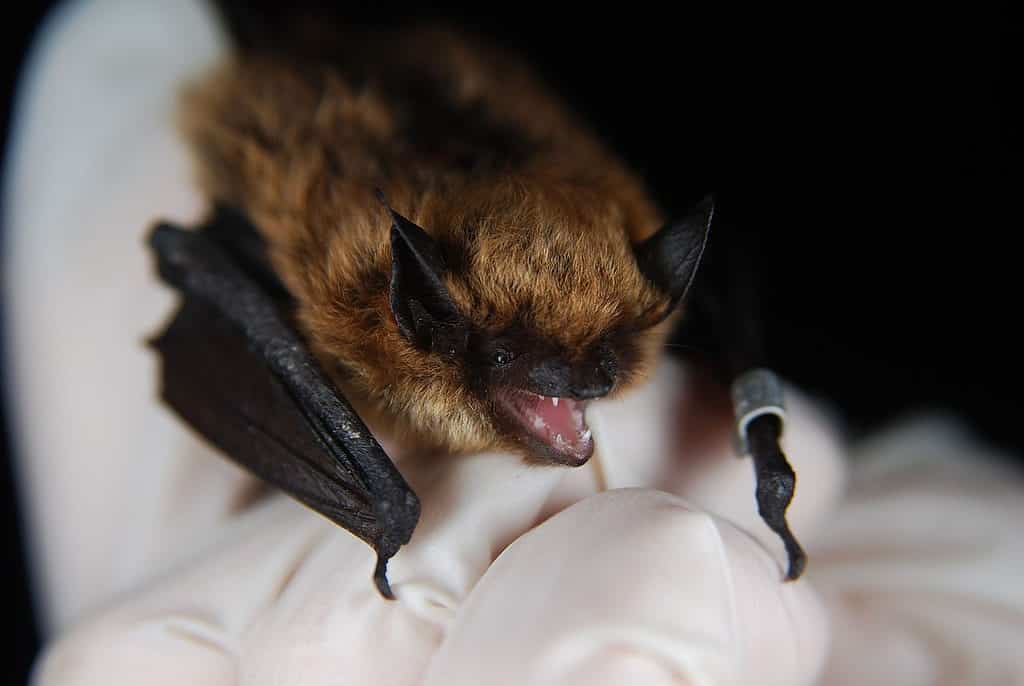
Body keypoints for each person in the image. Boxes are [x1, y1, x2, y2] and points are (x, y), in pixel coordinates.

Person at [6, 2, 1023, 684]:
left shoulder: (635, 306)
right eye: (532, 364)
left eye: (600, 364)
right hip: (326, 158)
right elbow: (205, 253)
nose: (578, 389)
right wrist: (383, 514)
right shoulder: (367, 293)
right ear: (425, 323)